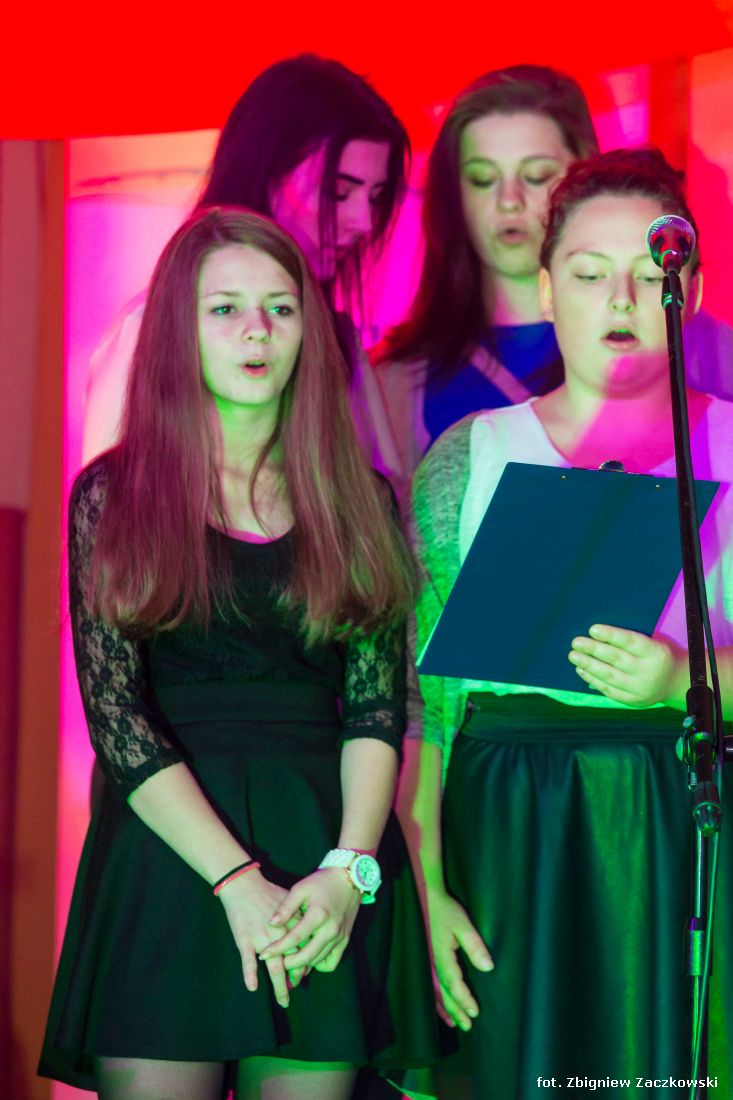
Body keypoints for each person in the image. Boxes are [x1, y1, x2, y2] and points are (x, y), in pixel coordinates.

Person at [39, 208, 437, 1099]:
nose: (257, 330)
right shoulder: (115, 493)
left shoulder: (359, 498)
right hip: (172, 856)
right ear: (176, 332)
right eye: (224, 309)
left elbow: (375, 711)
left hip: (321, 858)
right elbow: (117, 717)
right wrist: (233, 880)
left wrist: (349, 871)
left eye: (280, 308)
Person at [399, 149, 733, 1099]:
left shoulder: (726, 439)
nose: (619, 300)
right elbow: (421, 700)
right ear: (546, 290)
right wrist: (426, 883)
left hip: (683, 818)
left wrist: (682, 679)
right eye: (588, 275)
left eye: (647, 273)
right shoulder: (472, 456)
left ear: (687, 290)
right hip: (509, 830)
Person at [82, 54, 409, 482]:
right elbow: (104, 503)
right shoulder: (152, 326)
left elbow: (383, 494)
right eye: (338, 191)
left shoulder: (338, 338)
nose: (363, 221)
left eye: (375, 197)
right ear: (267, 171)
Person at [374, 64, 599, 494]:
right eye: (482, 179)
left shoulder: (680, 344)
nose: (509, 201)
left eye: (536, 176)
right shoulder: (393, 386)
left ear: (584, 176)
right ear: (454, 194)